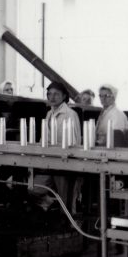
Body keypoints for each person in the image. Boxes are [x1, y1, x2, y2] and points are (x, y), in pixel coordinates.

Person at [31, 81, 82, 212]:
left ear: (64, 96)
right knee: (34, 189)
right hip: (48, 159)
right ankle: (50, 203)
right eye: (49, 94)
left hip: (64, 160)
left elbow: (75, 141)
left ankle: (70, 222)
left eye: (56, 94)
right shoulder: (49, 113)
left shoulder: (70, 114)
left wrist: (68, 159)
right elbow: (45, 138)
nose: (52, 97)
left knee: (66, 199)